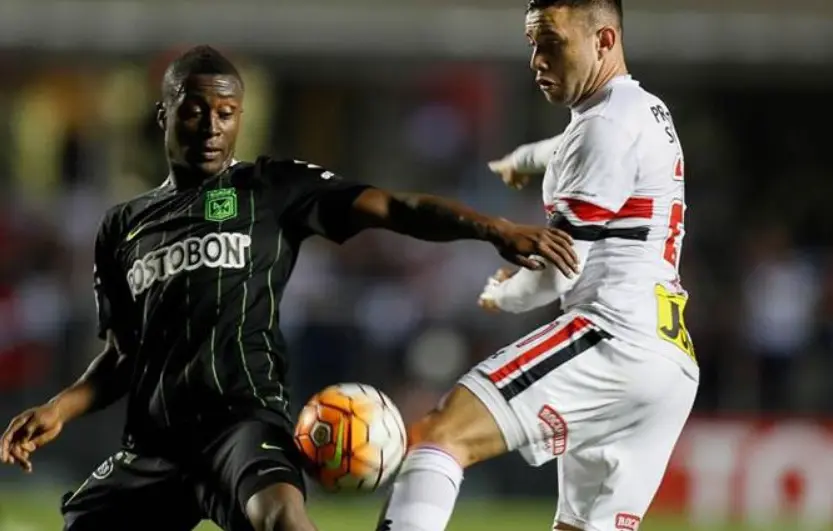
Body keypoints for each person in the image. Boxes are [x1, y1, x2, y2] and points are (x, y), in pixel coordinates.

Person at [0, 46, 579, 531]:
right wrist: (60, 407)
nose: (212, 126)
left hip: (241, 424)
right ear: (164, 114)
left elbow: (393, 206)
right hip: (153, 444)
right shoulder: (122, 226)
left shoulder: (270, 188)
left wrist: (492, 228)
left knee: (281, 520)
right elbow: (126, 352)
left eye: (227, 112)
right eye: (196, 110)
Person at [375, 1, 699, 530]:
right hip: (668, 360)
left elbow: (559, 269)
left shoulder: (607, 126)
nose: (537, 60)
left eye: (552, 43)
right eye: (533, 45)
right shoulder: (641, 110)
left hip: (613, 336)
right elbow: (582, 148)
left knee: (440, 435)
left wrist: (502, 295)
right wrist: (529, 159)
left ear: (604, 41)